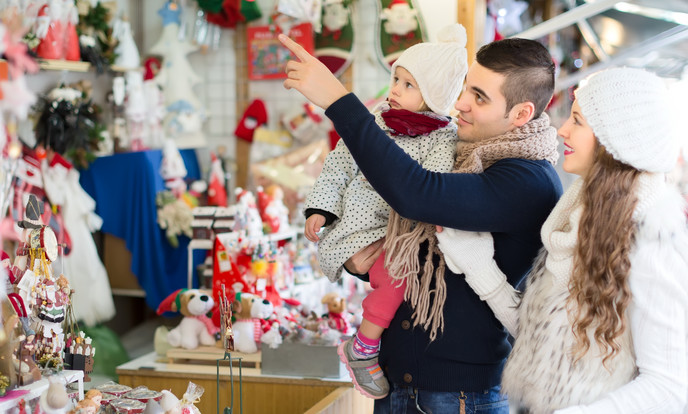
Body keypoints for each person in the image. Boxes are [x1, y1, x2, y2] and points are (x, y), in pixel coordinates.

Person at [280, 34, 563, 412]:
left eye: (479, 97)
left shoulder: (526, 180)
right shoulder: (461, 151)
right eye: (465, 88)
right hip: (403, 382)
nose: (459, 103)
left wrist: (338, 100)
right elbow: (418, 255)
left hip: (457, 395)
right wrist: (359, 251)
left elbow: (418, 195)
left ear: (521, 114)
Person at [436, 67, 688, 413]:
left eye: (578, 121)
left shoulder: (651, 239)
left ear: (615, 139)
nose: (563, 130)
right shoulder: (582, 218)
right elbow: (543, 339)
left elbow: (669, 386)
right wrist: (479, 266)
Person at [304, 24, 468, 400]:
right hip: (355, 229)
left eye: (408, 85)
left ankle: (365, 342)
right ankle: (363, 347)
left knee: (402, 276)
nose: (394, 89)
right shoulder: (375, 123)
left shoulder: (443, 137)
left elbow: (433, 185)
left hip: (399, 235)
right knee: (396, 278)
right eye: (396, 79)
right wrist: (321, 208)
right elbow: (338, 166)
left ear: (435, 96)